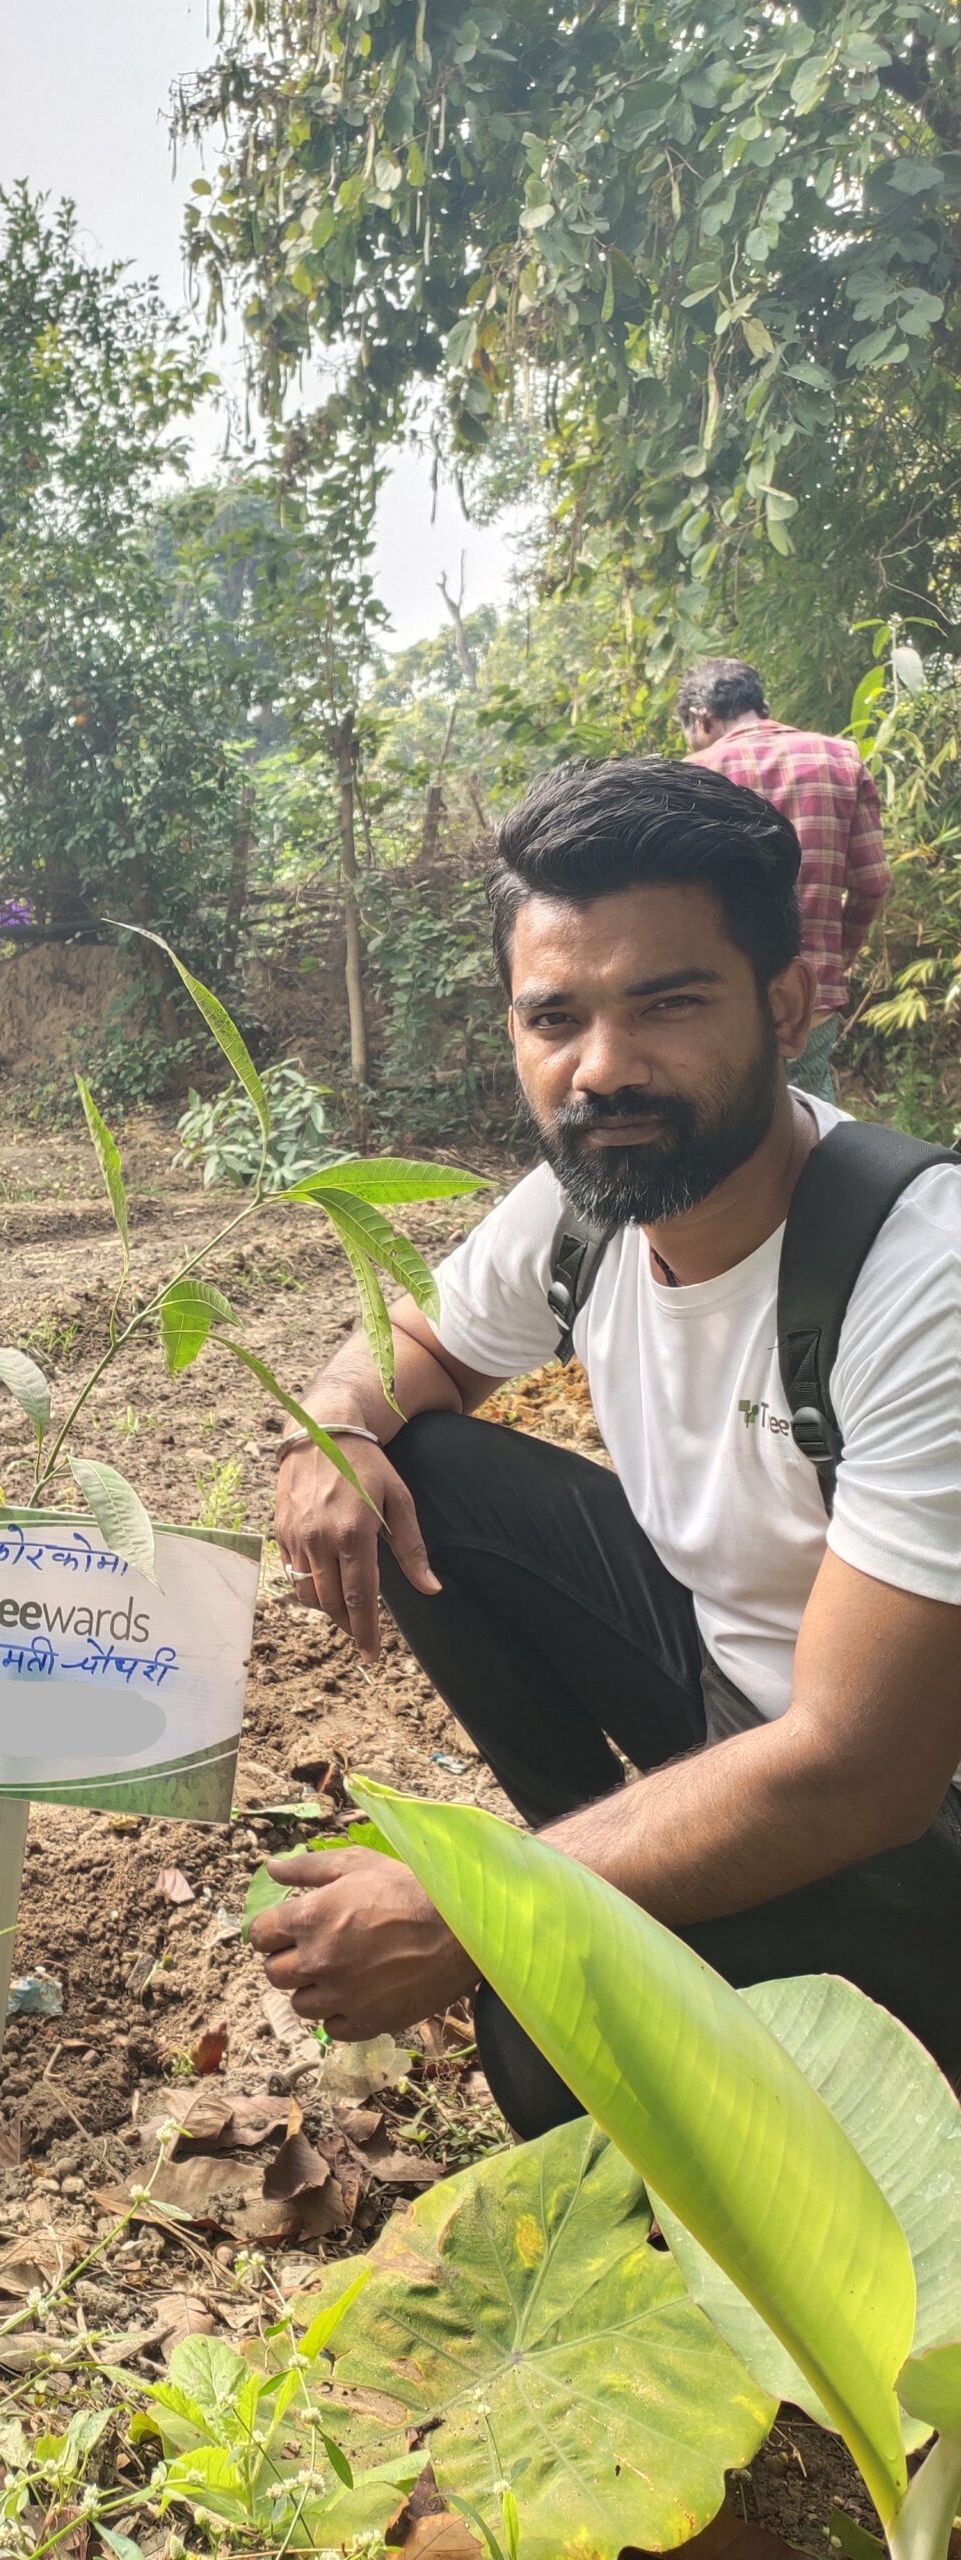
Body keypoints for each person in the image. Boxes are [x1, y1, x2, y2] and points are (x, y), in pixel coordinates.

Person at [261, 758, 961, 2135]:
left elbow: (864, 1769)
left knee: (548, 2025)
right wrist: (328, 1431)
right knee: (422, 1472)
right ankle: (632, 1870)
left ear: (787, 1005)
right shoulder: (588, 1205)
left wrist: (486, 1905)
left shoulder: (919, 1279)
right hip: (739, 1691)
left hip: (910, 1810)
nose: (603, 1068)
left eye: (668, 1004)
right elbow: (409, 1351)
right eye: (557, 1018)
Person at [678, 656, 889, 1100]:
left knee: (724, 1114)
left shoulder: (691, 776)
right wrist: (837, 957)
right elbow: (872, 884)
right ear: (762, 706)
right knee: (810, 1112)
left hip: (717, 994)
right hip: (810, 989)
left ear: (701, 717)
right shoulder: (841, 759)